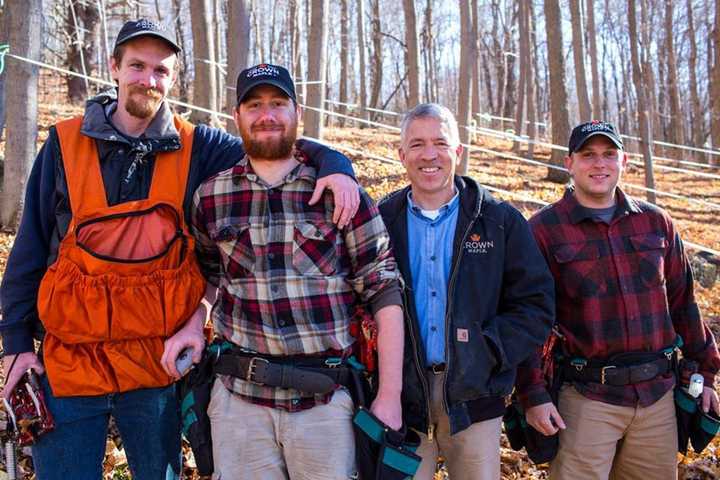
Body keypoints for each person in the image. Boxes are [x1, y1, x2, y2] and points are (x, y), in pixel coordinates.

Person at [0, 20, 359, 479]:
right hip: (71, 363)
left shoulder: (201, 146)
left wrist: (335, 162)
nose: (148, 79)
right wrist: (16, 344)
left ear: (172, 79)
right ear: (114, 67)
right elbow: (29, 247)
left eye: (160, 71)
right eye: (137, 66)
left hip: (157, 366)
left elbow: (269, 140)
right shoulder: (64, 144)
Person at [167, 63, 404, 479]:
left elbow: (384, 291)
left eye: (278, 103)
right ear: (236, 117)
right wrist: (192, 327)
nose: (267, 114)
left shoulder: (341, 194)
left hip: (325, 405)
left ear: (298, 113)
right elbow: (209, 277)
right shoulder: (212, 196)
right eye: (254, 105)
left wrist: (390, 394)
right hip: (239, 404)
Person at [516, 120, 720, 479]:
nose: (599, 164)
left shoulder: (657, 224)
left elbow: (684, 303)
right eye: (588, 155)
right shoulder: (543, 231)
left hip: (658, 398)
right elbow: (529, 321)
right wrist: (533, 393)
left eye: (609, 154)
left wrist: (705, 370)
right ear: (569, 164)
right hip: (585, 398)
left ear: (623, 161)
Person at [377, 103, 555, 480]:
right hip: (402, 398)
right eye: (417, 144)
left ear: (458, 152)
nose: (429, 155)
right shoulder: (381, 221)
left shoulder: (498, 220)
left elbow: (535, 303)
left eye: (440, 143)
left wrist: (488, 349)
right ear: (401, 154)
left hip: (476, 397)